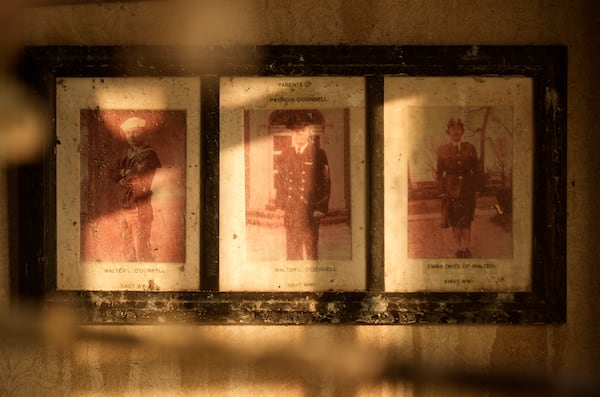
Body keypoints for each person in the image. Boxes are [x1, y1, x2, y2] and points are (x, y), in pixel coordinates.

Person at [275, 114, 330, 260]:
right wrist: (280, 206)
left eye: (303, 130)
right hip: (291, 211)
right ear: (292, 133)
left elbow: (325, 182)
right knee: (292, 251)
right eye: (296, 130)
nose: (300, 133)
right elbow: (280, 181)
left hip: (311, 210)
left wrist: (320, 207)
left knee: (311, 249)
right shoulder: (285, 154)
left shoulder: (319, 153)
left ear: (309, 132)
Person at [112, 116, 162, 262]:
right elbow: (111, 172)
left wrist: (124, 175)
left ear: (143, 133)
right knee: (128, 252)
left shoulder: (148, 154)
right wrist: (123, 173)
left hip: (140, 206)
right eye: (128, 133)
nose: (131, 136)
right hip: (125, 206)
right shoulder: (127, 154)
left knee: (141, 251)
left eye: (135, 132)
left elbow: (136, 176)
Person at [436, 117, 481, 258]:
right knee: (455, 221)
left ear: (462, 132)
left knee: (466, 220)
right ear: (448, 132)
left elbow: (477, 170)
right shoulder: (442, 150)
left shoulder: (470, 148)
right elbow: (439, 174)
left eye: (458, 129)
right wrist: (442, 191)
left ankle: (466, 248)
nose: (456, 132)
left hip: (468, 189)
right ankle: (459, 248)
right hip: (451, 190)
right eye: (452, 129)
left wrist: (478, 189)